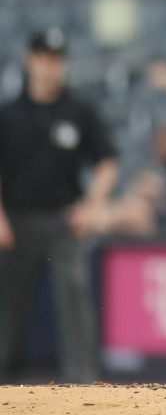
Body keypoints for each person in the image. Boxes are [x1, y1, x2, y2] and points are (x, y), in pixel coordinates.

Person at [0, 29, 118, 384]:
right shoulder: (8, 114)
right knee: (10, 307)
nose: (51, 66)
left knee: (75, 298)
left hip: (64, 220)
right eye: (44, 57)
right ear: (29, 60)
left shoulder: (79, 111)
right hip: (16, 222)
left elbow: (107, 161)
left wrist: (92, 204)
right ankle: (6, 380)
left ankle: (82, 379)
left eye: (57, 59)